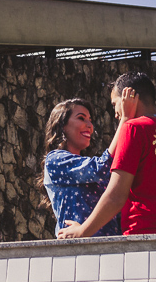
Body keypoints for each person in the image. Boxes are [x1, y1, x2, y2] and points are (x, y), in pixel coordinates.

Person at [57, 72, 156, 238]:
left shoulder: (133, 128)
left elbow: (116, 196)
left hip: (143, 238)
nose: (115, 113)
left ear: (129, 96)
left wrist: (82, 231)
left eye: (114, 104)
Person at [41, 98, 122, 237]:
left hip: (110, 249)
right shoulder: (54, 160)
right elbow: (102, 167)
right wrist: (125, 121)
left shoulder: (89, 168)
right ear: (62, 125)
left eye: (90, 120)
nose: (90, 125)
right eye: (81, 118)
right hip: (80, 252)